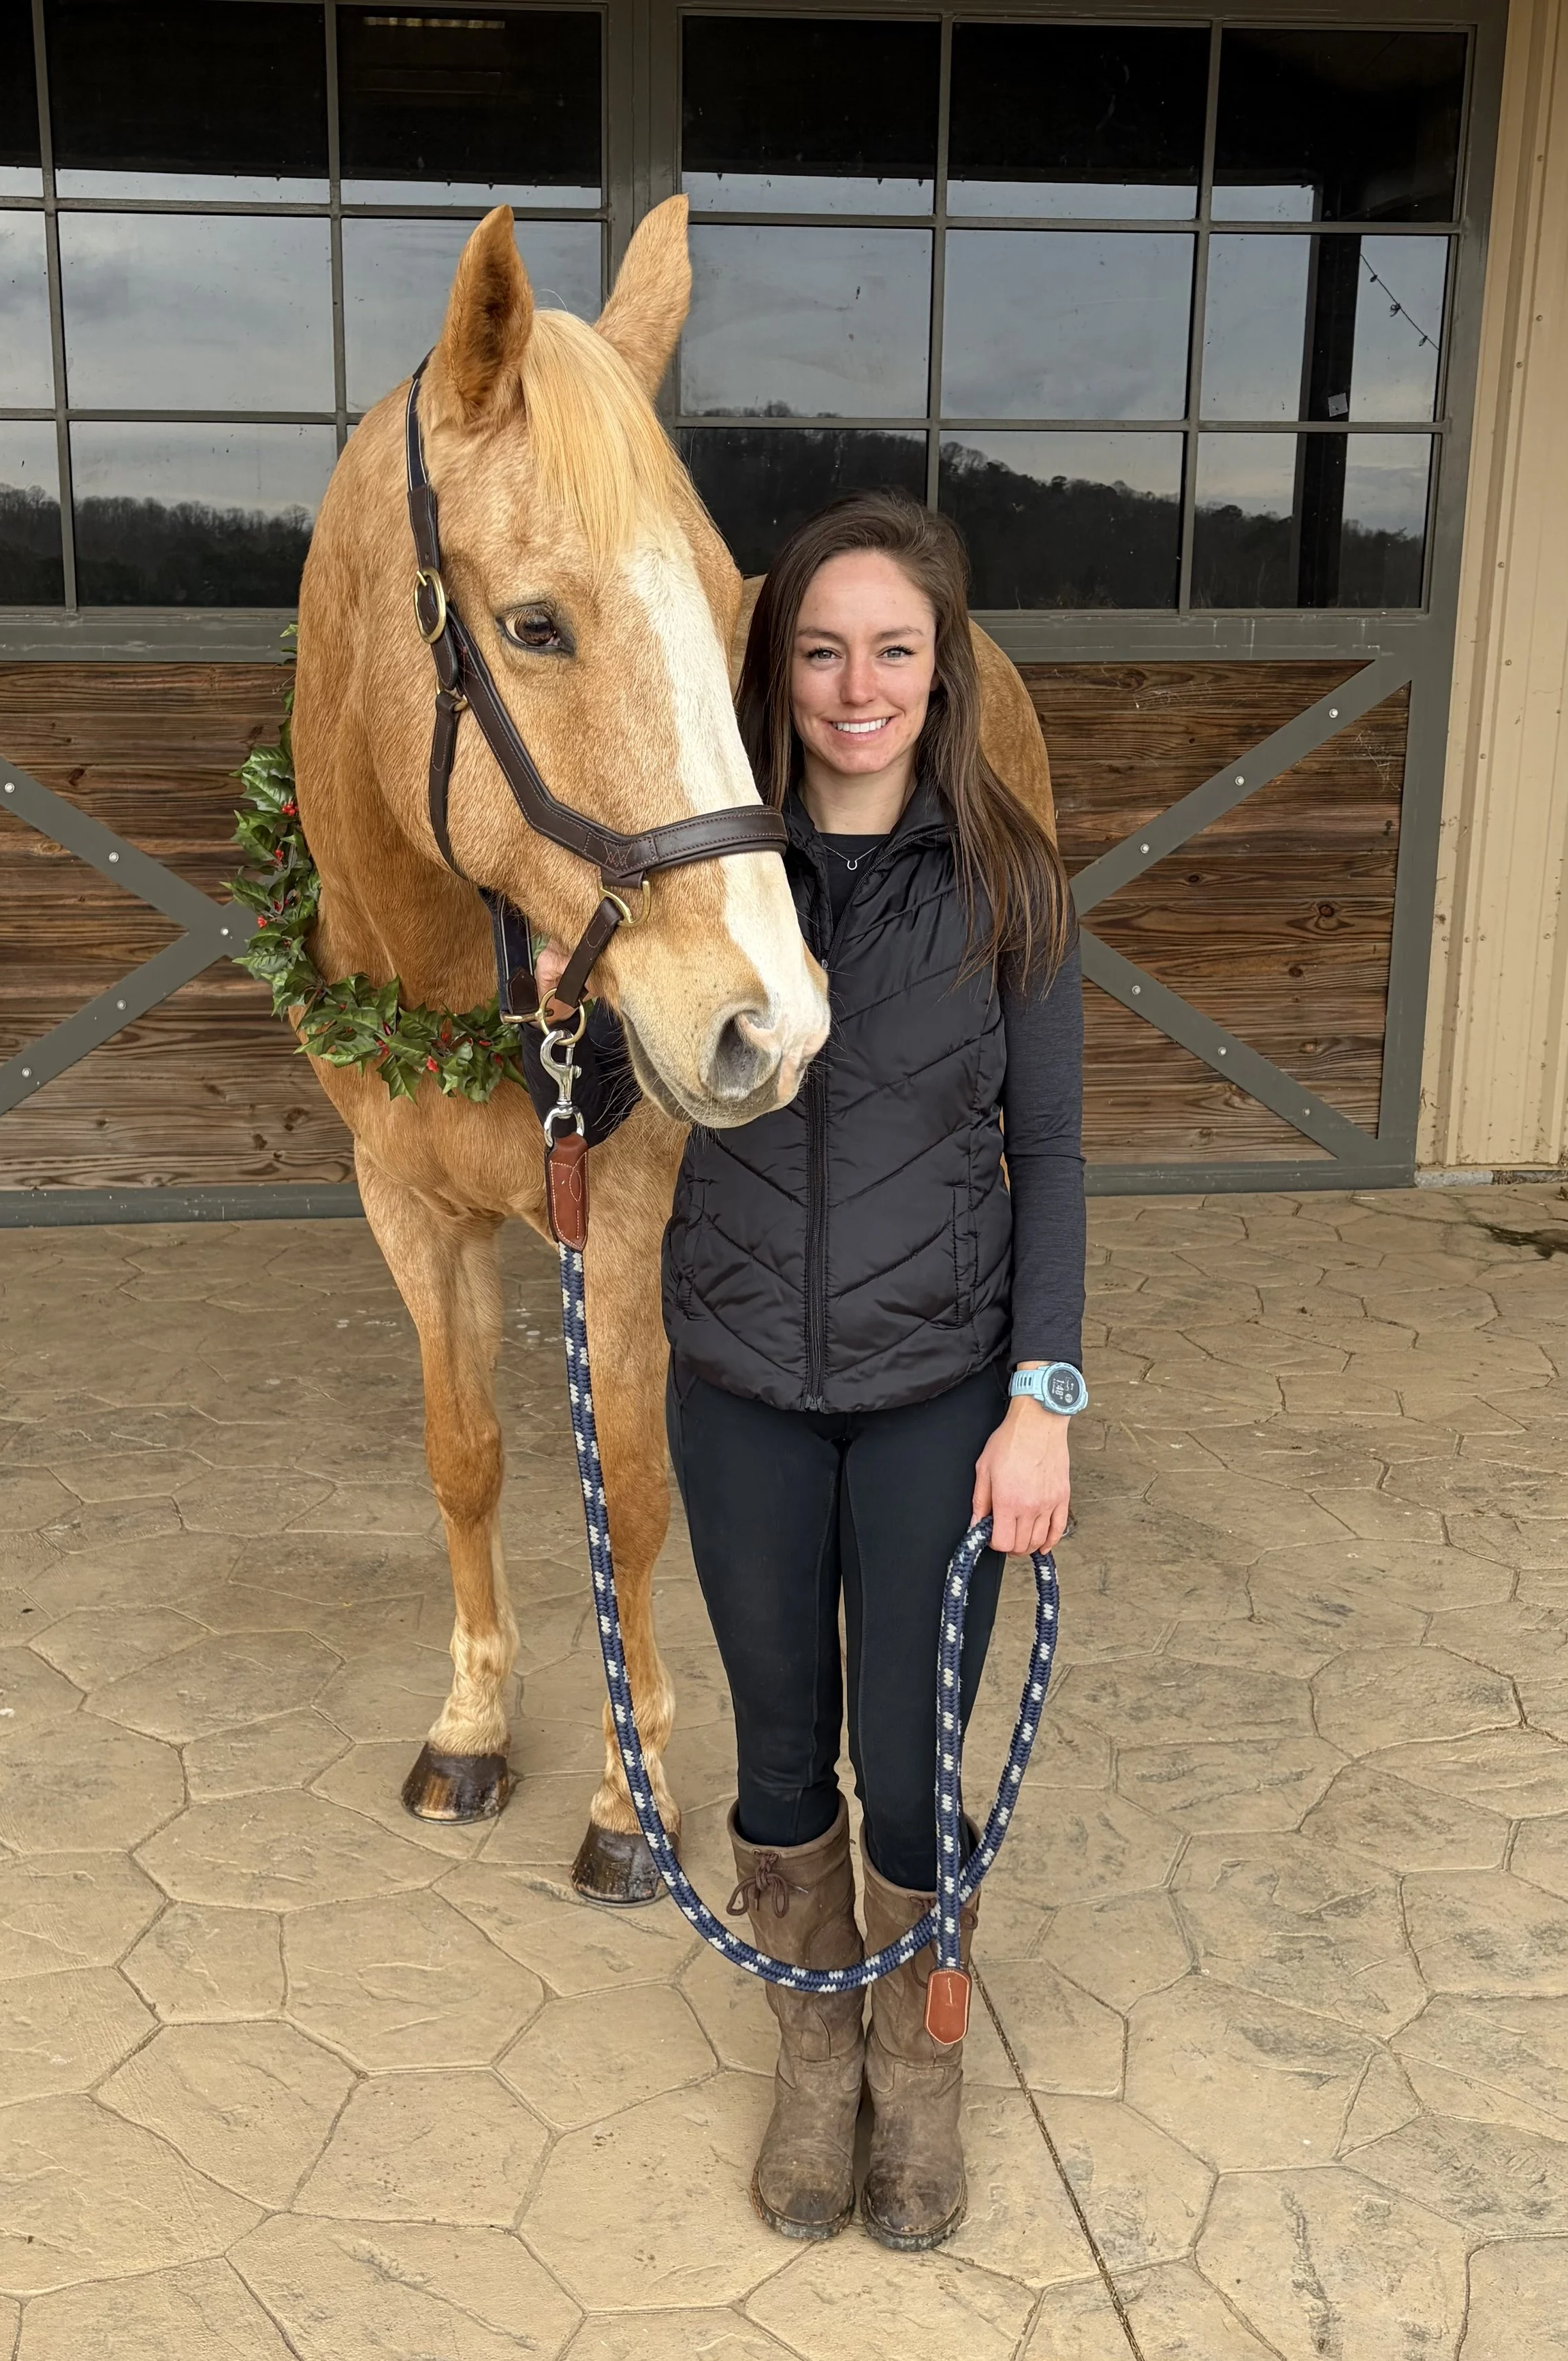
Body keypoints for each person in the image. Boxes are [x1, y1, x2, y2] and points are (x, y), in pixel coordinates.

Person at [545, 491, 1085, 2251]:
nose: (858, 686)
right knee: (780, 1756)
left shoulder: (1007, 881)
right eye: (823, 649)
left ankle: (914, 2088)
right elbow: (632, 1111)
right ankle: (815, 2059)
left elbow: (1056, 1162)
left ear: (945, 673)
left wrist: (1041, 1400)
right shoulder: (707, 878)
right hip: (743, 1388)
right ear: (777, 670)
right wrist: (569, 1020)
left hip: (941, 1392)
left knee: (912, 1770)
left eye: (895, 651)